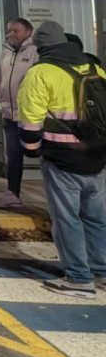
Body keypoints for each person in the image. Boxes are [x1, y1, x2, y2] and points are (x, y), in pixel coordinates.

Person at [18, 21, 106, 298]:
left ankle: (79, 278)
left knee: (67, 218)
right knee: (96, 217)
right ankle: (102, 271)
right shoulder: (94, 68)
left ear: (41, 46)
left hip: (62, 158)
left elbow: (30, 120)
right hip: (97, 154)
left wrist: (32, 149)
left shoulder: (41, 73)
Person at [0, 18, 37, 209]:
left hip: (29, 115)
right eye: (9, 30)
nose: (10, 34)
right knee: (13, 154)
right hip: (9, 114)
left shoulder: (36, 53)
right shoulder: (5, 54)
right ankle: (13, 193)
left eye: (15, 31)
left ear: (28, 32)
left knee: (38, 152)